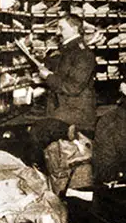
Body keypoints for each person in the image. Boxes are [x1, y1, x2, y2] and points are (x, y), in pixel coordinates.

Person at [28, 14, 96, 167]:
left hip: (77, 113)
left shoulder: (83, 53)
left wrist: (48, 76)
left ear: (74, 29)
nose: (57, 32)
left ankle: (39, 174)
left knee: (37, 132)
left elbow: (73, 87)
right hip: (64, 108)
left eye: (61, 28)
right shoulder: (69, 50)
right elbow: (62, 70)